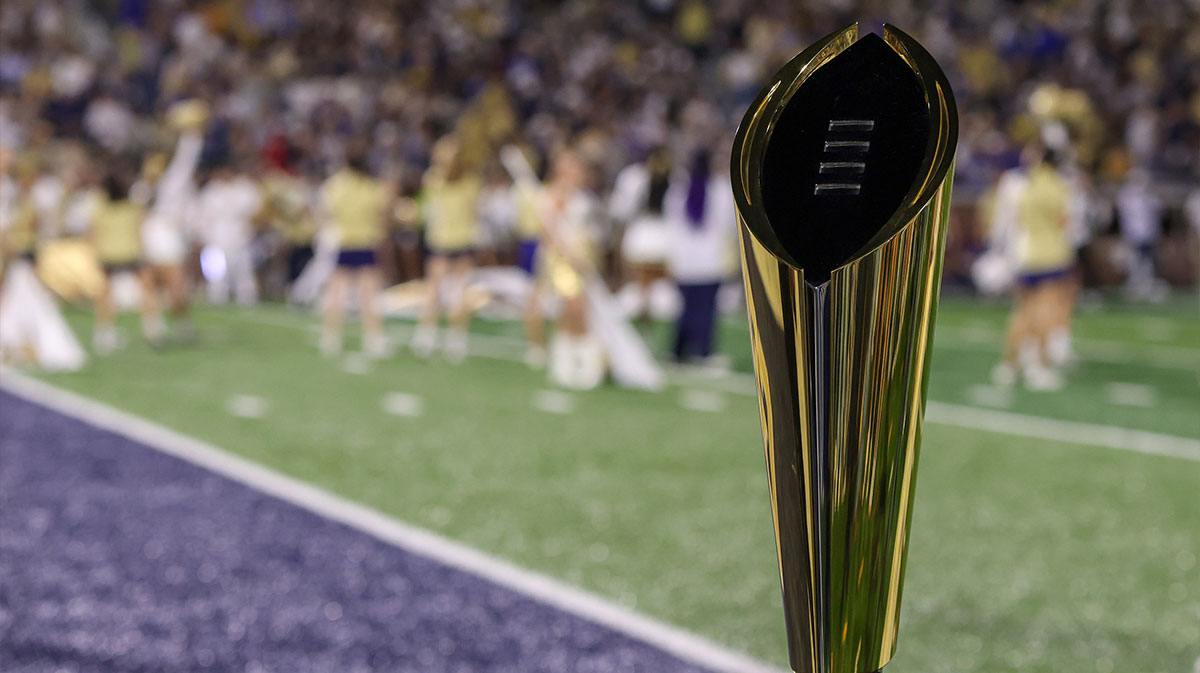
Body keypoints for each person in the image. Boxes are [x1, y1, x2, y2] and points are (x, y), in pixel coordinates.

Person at [993, 149, 1076, 390]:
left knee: (1022, 311)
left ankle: (1009, 364)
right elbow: (1065, 221)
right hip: (1050, 254)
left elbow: (1017, 219)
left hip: (1024, 252)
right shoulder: (1058, 185)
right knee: (1045, 311)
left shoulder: (1024, 184)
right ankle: (1038, 366)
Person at [539, 149, 605, 389]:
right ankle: (579, 362)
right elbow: (547, 230)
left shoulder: (584, 198)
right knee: (573, 306)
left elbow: (590, 231)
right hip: (561, 261)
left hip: (582, 258)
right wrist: (566, 252)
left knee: (577, 309)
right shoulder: (554, 195)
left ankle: (572, 363)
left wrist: (588, 256)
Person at [664, 148, 737, 364]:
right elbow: (730, 226)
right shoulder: (721, 190)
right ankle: (703, 351)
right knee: (706, 310)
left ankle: (678, 351)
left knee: (685, 308)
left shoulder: (678, 191)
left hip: (684, 261)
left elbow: (671, 224)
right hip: (710, 261)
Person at [412, 136, 482, 362]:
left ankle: (432, 336)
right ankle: (451, 339)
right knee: (449, 290)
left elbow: (428, 212)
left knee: (443, 290)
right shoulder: (460, 180)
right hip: (456, 239)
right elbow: (473, 213)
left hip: (446, 239)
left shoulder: (436, 179)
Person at [318, 148, 390, 357]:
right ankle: (373, 339)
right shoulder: (372, 186)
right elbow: (382, 215)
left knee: (336, 294)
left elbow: (326, 214)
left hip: (343, 242)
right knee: (368, 296)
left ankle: (331, 337)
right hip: (365, 243)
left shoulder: (335, 185)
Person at [89, 170, 154, 352]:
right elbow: (139, 231)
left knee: (105, 296)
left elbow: (94, 232)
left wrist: (94, 253)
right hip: (130, 252)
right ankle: (152, 327)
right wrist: (144, 251)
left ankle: (105, 333)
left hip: (107, 254)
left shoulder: (100, 207)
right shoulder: (132, 207)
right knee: (147, 290)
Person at [610, 146, 673, 321]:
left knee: (649, 286)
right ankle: (643, 304)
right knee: (645, 285)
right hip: (652, 233)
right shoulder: (634, 178)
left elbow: (621, 212)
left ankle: (644, 305)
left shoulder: (633, 178)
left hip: (649, 234)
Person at [196, 159, 261, 306]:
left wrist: (251, 229)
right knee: (217, 275)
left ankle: (247, 300)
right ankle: (217, 300)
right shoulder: (212, 191)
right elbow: (203, 216)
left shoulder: (245, 188)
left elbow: (256, 212)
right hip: (217, 238)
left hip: (241, 238)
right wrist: (204, 236)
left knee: (244, 273)